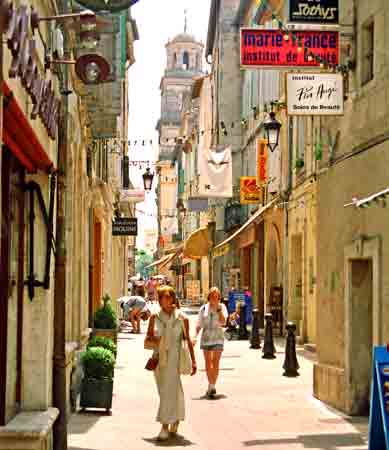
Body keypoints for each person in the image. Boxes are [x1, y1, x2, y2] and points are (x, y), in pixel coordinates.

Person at [146, 286, 196, 441]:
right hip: (159, 359)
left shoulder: (182, 318)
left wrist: (194, 361)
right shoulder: (154, 317)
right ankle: (175, 418)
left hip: (175, 359)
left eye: (169, 297)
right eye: (163, 297)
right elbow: (147, 338)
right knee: (165, 392)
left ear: (173, 298)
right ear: (159, 300)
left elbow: (187, 340)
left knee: (169, 390)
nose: (166, 300)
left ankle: (164, 426)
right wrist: (156, 339)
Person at [193, 287, 228, 398]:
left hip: (218, 336)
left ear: (219, 297)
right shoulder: (204, 308)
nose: (215, 298)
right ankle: (210, 384)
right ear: (209, 297)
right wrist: (194, 337)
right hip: (207, 337)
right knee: (208, 362)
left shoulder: (222, 307)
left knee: (216, 361)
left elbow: (223, 322)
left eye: (217, 296)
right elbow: (199, 325)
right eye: (213, 296)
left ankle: (212, 386)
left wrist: (218, 310)